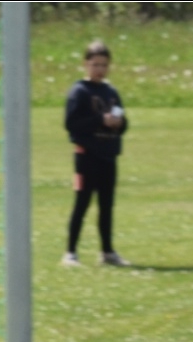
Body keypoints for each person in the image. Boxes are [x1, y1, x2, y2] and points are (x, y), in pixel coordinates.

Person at [62, 40, 129, 268]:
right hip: (86, 157)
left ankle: (107, 252)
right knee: (82, 203)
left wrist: (119, 123)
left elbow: (124, 124)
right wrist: (100, 120)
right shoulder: (79, 92)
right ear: (86, 64)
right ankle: (70, 253)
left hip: (108, 156)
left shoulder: (111, 92)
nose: (100, 69)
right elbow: (71, 123)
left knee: (107, 206)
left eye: (104, 65)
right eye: (95, 64)